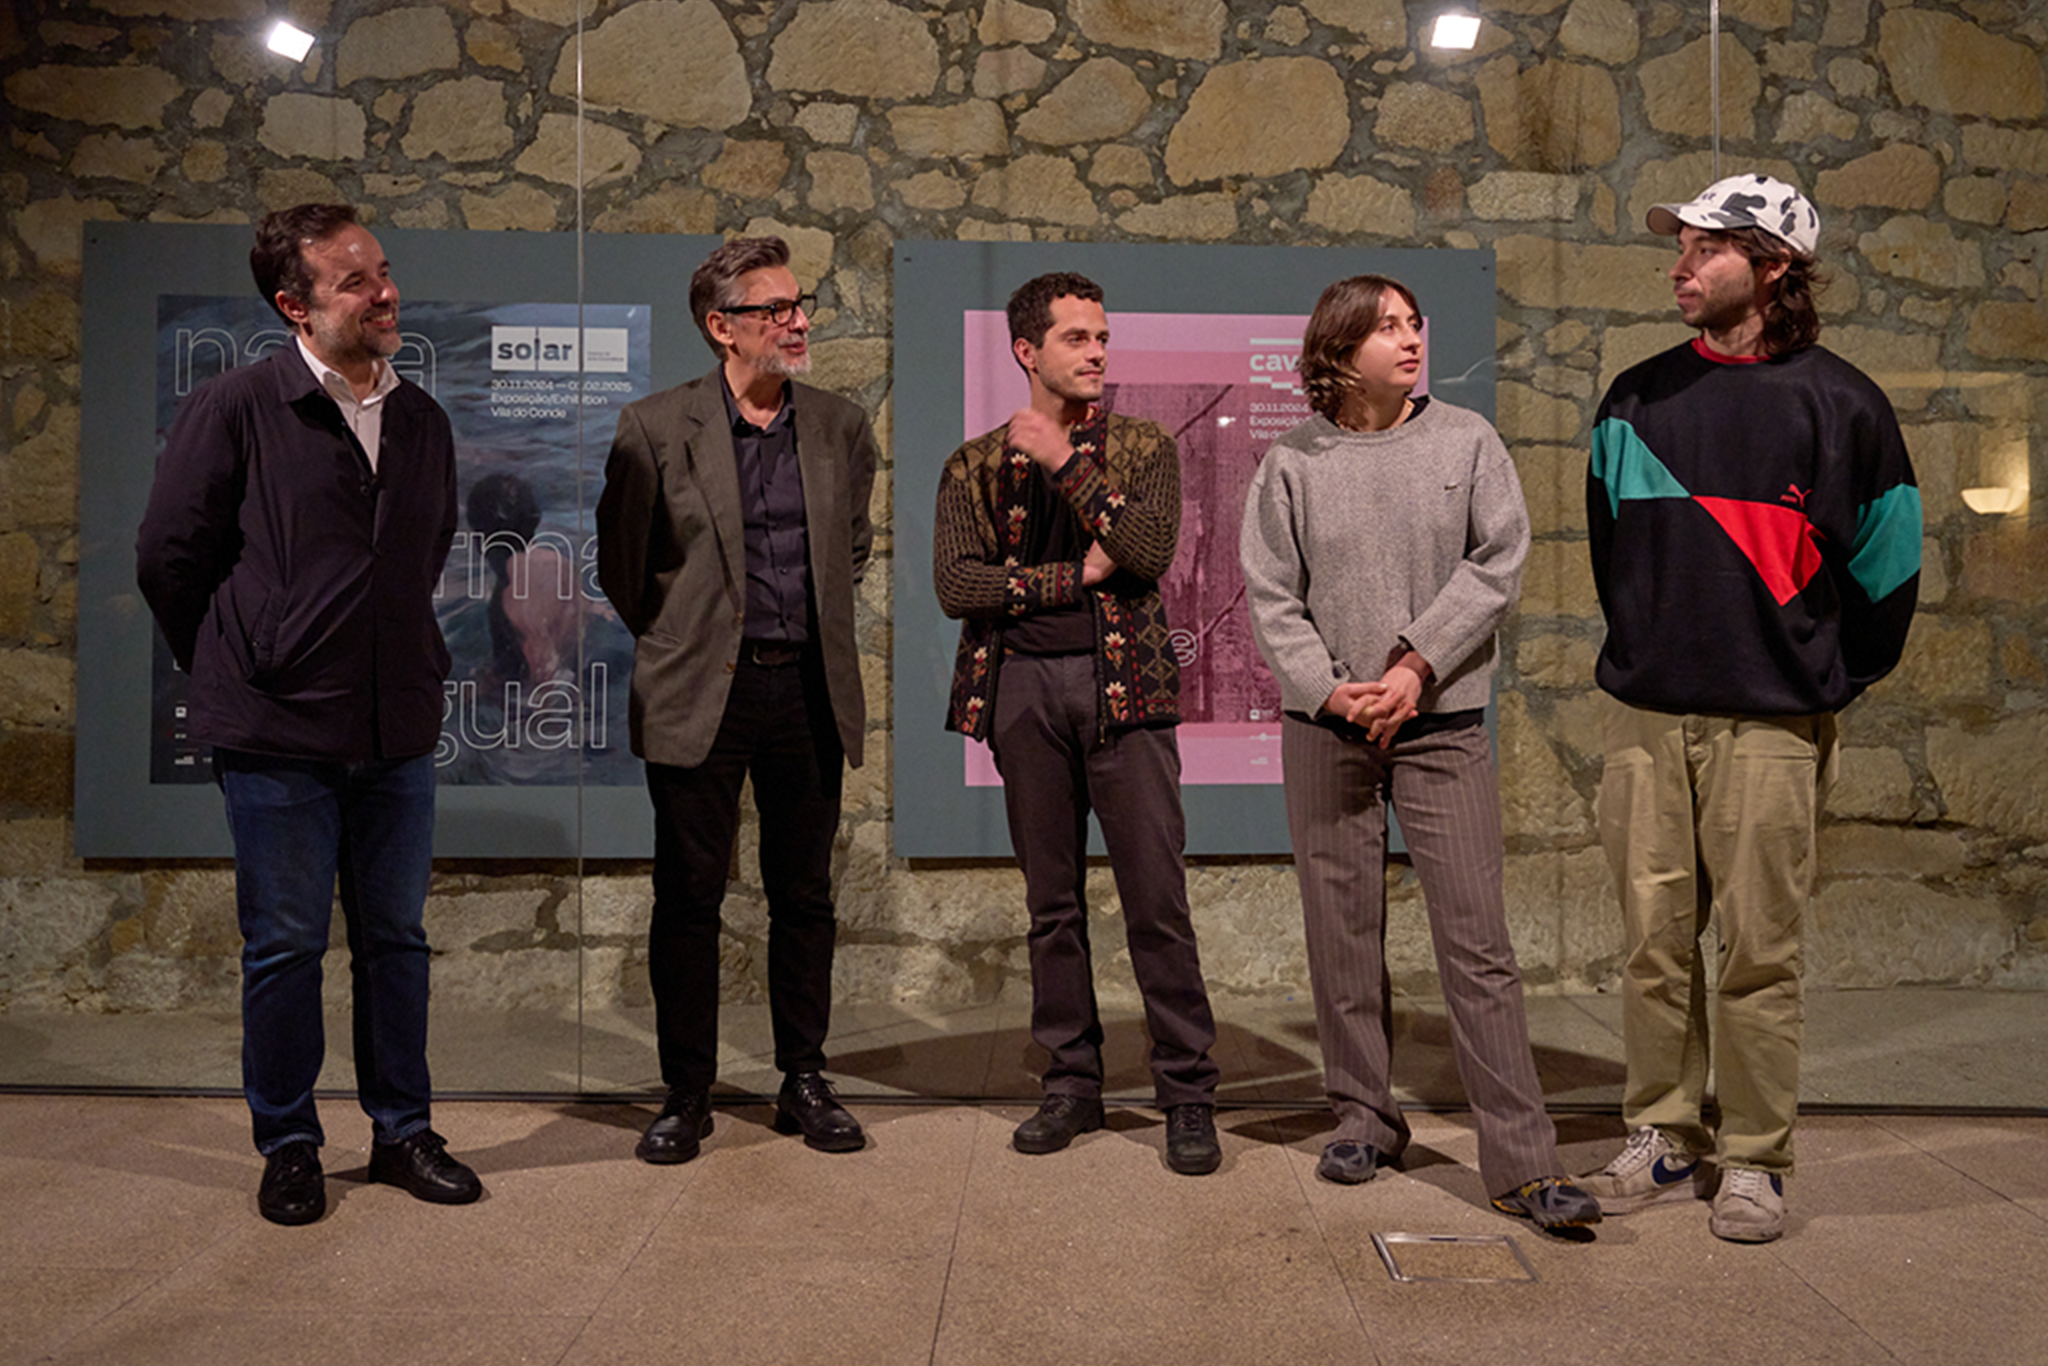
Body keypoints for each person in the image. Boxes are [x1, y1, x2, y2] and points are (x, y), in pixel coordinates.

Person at [1579, 175, 1920, 1242]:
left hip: (1772, 721)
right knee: (1650, 942)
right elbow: (1611, 555)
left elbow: (1888, 565)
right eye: (1677, 248)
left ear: (1771, 265)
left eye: (1703, 248)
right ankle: (1663, 1131)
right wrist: (1650, 652)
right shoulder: (1632, 398)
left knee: (1758, 948)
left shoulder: (1843, 404)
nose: (1679, 266)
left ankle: (1757, 1156)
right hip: (1647, 718)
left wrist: (1822, 680)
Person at [136, 204, 480, 1226]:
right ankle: (288, 1141)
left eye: (384, 271)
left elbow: (422, 555)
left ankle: (402, 1130)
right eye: (354, 282)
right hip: (276, 732)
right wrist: (247, 657)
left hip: (394, 727)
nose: (385, 293)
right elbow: (168, 559)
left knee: (396, 939)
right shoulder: (235, 407)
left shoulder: (422, 418)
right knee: (284, 941)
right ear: (293, 304)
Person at [1239, 274, 1601, 1231]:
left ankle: (1523, 1161)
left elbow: (1500, 561)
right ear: (1338, 350)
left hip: (1438, 722)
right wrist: (1328, 687)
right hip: (1328, 728)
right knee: (1341, 933)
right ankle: (1363, 1116)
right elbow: (1271, 593)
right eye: (1386, 327)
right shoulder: (1292, 460)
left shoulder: (1467, 441)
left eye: (1413, 324)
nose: (1410, 339)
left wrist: (1414, 666)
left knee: (1478, 945)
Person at [933, 272, 1223, 1176]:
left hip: (1125, 693)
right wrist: (1071, 579)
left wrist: (1064, 460)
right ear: (1028, 350)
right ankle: (1072, 1083)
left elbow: (1146, 553)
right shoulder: (973, 463)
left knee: (1157, 901)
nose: (1097, 352)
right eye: (1076, 339)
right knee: (1050, 905)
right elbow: (957, 587)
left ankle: (1185, 1093)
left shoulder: (1140, 447)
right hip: (1021, 690)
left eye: (1102, 337)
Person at [596, 236, 878, 1164]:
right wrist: (690, 640)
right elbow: (626, 573)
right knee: (689, 899)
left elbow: (852, 551)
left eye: (801, 305)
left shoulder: (838, 426)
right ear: (722, 328)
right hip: (698, 694)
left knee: (805, 896)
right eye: (776, 309)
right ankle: (686, 1092)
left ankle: (804, 1077)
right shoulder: (653, 426)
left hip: (805, 690)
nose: (799, 322)